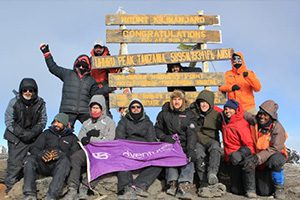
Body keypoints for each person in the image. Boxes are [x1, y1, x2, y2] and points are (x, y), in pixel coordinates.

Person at [39, 43, 109, 127]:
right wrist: (47, 53)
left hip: (85, 112)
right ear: (75, 64)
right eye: (79, 65)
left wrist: (111, 87)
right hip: (67, 110)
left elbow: (97, 92)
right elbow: (53, 68)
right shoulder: (67, 74)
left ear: (89, 67)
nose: (81, 68)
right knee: (62, 131)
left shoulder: (91, 80)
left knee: (92, 129)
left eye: (84, 66)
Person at [64, 95, 116, 199]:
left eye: (97, 108)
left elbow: (110, 139)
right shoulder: (86, 123)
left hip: (103, 151)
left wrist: (92, 140)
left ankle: (85, 186)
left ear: (102, 108)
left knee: (100, 163)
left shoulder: (109, 122)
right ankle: (73, 188)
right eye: (93, 108)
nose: (94, 110)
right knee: (75, 158)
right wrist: (86, 138)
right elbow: (81, 137)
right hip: (88, 150)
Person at [3, 78, 47, 194]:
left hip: (33, 136)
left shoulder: (41, 103)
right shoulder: (14, 102)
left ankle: (34, 188)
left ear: (35, 91)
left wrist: (32, 133)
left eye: (31, 90)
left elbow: (43, 121)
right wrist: (22, 134)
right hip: (16, 137)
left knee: (36, 161)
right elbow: (9, 120)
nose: (28, 92)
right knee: (14, 164)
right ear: (21, 91)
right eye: (25, 90)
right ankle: (10, 190)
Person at [23, 113, 80, 200]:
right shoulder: (46, 133)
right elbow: (34, 148)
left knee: (65, 161)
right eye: (54, 122)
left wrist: (61, 154)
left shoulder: (72, 138)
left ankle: (51, 196)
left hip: (59, 168)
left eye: (59, 122)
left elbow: (75, 154)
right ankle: (29, 194)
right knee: (29, 159)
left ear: (65, 123)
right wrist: (41, 154)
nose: (55, 124)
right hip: (43, 164)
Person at [116, 99, 161, 200]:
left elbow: (151, 140)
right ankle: (125, 188)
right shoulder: (123, 121)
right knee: (121, 160)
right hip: (128, 149)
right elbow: (119, 138)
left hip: (143, 150)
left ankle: (139, 186)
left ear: (142, 109)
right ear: (130, 109)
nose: (136, 109)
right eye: (133, 107)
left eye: (138, 107)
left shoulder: (148, 122)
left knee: (159, 162)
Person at [155, 90, 197, 199]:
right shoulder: (164, 113)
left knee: (189, 158)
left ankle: (184, 184)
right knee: (170, 157)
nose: (177, 102)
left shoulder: (189, 114)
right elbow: (157, 129)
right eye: (174, 99)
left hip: (185, 143)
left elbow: (191, 133)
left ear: (183, 101)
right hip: (171, 143)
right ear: (171, 101)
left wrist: (191, 148)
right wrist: (165, 137)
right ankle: (172, 183)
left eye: (179, 99)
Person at [243, 100, 288, 199]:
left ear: (271, 116)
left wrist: (257, 157)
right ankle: (256, 187)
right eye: (261, 113)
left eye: (266, 114)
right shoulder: (254, 120)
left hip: (272, 156)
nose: (262, 117)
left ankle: (279, 188)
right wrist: (232, 108)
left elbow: (275, 148)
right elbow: (243, 113)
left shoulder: (278, 129)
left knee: (276, 160)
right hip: (259, 159)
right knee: (263, 192)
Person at [220, 99, 256, 198]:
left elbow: (250, 145)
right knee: (236, 190)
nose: (227, 111)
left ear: (236, 110)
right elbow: (214, 108)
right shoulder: (225, 121)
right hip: (231, 159)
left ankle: (250, 189)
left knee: (247, 166)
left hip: (241, 156)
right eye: (226, 109)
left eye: (230, 109)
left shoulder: (241, 123)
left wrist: (240, 154)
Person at [189, 89, 222, 190]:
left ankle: (212, 173)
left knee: (216, 147)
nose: (203, 105)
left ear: (210, 103)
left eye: (206, 102)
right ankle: (203, 181)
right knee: (199, 154)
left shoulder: (216, 115)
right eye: (201, 102)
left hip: (212, 140)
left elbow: (225, 129)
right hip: (198, 140)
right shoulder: (194, 113)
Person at [90, 41, 119, 118]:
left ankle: (110, 128)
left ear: (103, 48)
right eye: (96, 47)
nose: (98, 49)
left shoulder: (109, 59)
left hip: (105, 90)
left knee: (105, 112)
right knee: (92, 113)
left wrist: (110, 87)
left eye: (100, 47)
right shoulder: (90, 60)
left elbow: (114, 75)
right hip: (92, 90)